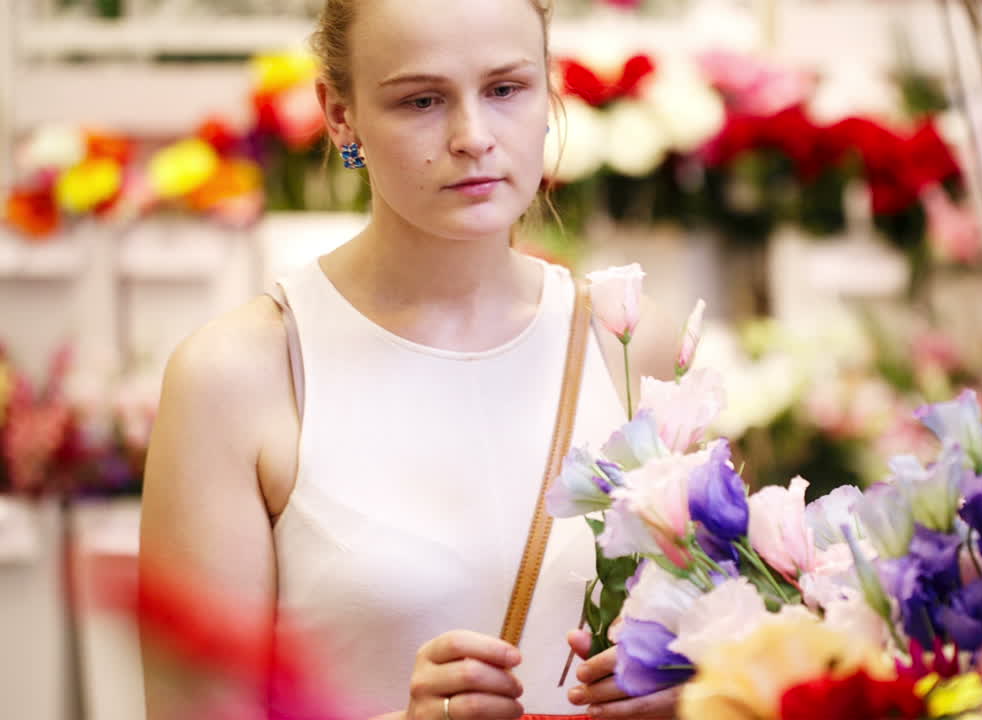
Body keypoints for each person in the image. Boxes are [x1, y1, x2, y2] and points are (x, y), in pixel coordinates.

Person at [138, 0, 683, 717]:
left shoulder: (630, 341)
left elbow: (731, 659)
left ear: (548, 91)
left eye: (505, 89)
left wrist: (687, 697)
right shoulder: (238, 376)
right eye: (421, 100)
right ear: (341, 115)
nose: (473, 137)